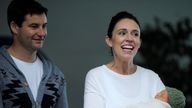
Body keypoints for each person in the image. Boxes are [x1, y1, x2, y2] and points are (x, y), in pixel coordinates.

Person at [84, 11, 170, 108]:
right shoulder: (96, 77)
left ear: (139, 43)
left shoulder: (152, 78)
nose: (130, 38)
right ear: (110, 41)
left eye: (135, 34)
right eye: (122, 33)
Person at [0, 0, 68, 108]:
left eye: (44, 26)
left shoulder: (56, 76)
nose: (42, 33)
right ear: (14, 27)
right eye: (34, 26)